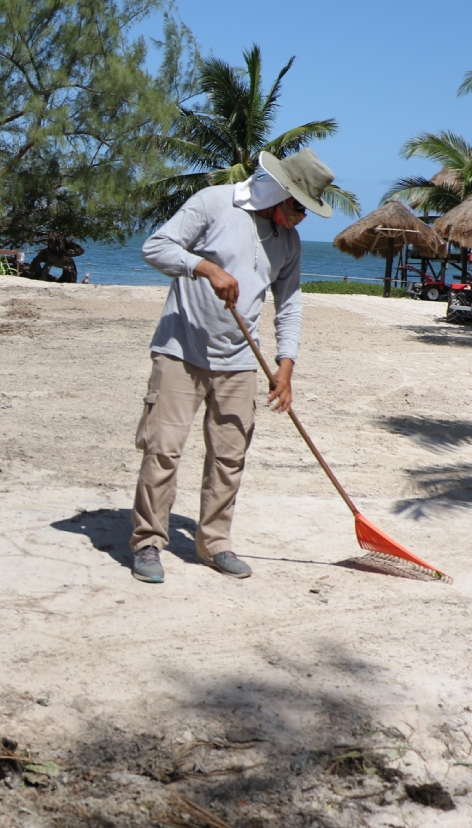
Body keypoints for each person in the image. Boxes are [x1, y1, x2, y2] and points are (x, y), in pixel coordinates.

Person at [129, 149, 338, 584]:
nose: (301, 218)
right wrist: (204, 268)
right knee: (163, 449)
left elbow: (290, 305)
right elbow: (156, 247)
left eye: (307, 211)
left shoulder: (289, 243)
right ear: (280, 191)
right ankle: (149, 542)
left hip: (241, 361)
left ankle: (215, 543)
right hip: (179, 350)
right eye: (299, 206)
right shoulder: (213, 203)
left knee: (229, 456)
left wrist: (286, 364)